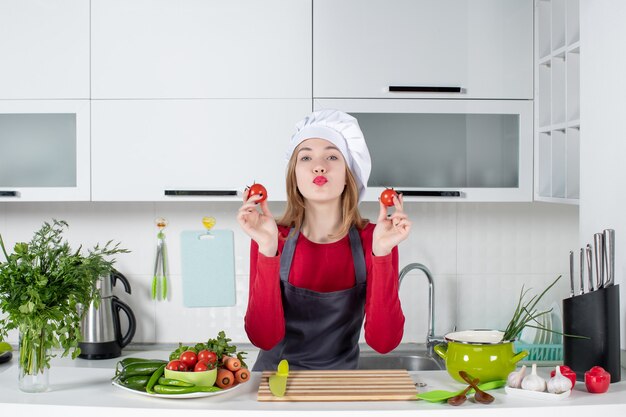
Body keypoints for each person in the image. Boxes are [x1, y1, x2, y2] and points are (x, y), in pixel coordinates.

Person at [237, 109, 411, 371]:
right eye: (306, 157)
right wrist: (267, 249)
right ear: (294, 175)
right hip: (273, 387)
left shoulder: (374, 239)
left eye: (332, 156)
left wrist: (383, 254)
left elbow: (384, 343)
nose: (319, 165)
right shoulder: (273, 236)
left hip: (339, 389)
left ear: (348, 175)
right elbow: (263, 337)